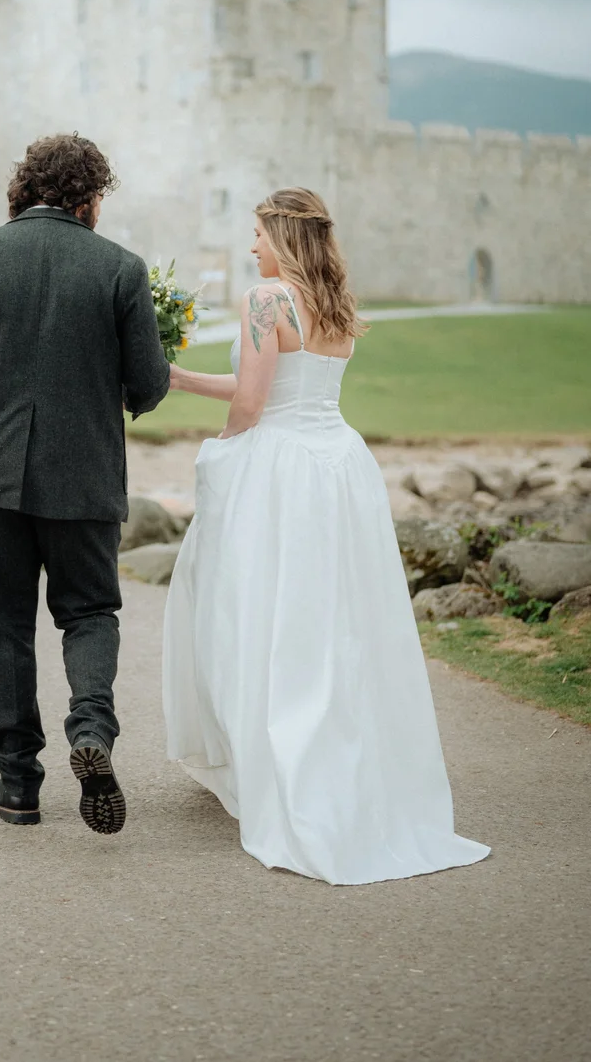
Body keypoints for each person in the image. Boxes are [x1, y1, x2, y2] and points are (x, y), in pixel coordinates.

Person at [163, 187, 490, 884]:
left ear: (280, 236)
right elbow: (286, 386)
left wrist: (220, 453)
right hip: (340, 465)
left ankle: (272, 764)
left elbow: (253, 404)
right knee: (336, 622)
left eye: (255, 232)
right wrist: (183, 378)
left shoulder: (265, 300)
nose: (250, 245)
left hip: (279, 472)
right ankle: (344, 761)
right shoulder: (335, 302)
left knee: (256, 614)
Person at [0, 134, 170, 833]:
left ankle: (18, 783)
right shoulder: (122, 268)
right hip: (84, 478)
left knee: (5, 628)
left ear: (25, 189)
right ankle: (92, 731)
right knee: (88, 613)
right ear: (89, 198)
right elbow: (148, 384)